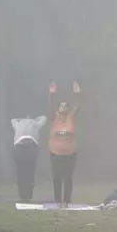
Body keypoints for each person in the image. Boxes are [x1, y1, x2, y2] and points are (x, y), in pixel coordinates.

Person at [48, 80, 81, 209]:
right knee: (57, 177)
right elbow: (50, 107)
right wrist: (51, 94)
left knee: (68, 177)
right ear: (58, 109)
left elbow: (77, 106)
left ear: (67, 109)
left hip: (70, 153)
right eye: (61, 105)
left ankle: (67, 201)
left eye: (65, 106)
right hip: (55, 153)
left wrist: (77, 93)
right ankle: (57, 201)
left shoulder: (70, 118)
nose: (63, 107)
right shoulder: (54, 118)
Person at [11, 115, 47, 202]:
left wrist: (31, 119)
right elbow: (13, 119)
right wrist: (24, 119)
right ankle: (22, 195)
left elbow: (44, 118)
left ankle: (28, 195)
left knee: (29, 172)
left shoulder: (34, 124)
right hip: (19, 147)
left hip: (31, 146)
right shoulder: (18, 124)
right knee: (21, 171)